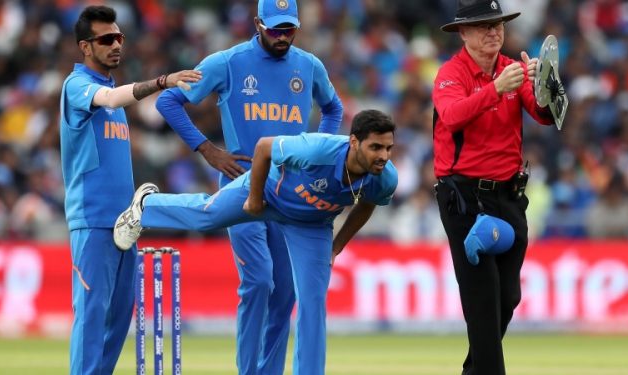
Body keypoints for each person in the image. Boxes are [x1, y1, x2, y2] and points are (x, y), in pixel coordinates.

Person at [114, 109, 397, 375]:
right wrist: (254, 198)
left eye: (388, 148)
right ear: (354, 142)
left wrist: (337, 246)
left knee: (312, 303)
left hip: (311, 225)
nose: (383, 156)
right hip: (267, 194)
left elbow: (368, 204)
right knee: (208, 215)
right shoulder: (317, 149)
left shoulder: (385, 177)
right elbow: (263, 147)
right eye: (376, 147)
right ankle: (147, 205)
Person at [154, 0, 343, 372]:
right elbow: (168, 100)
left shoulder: (309, 66)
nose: (283, 37)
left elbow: (333, 108)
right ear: (257, 23)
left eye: (290, 29)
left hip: (289, 192)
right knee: (259, 281)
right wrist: (206, 149)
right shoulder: (227, 62)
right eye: (275, 29)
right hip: (243, 186)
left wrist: (318, 153)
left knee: (286, 292)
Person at [59, 5, 201, 374]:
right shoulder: (78, 86)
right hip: (92, 221)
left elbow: (115, 98)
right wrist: (160, 82)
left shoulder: (112, 89)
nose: (116, 45)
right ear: (85, 46)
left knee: (119, 319)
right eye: (106, 39)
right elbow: (108, 100)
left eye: (119, 37)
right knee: (92, 317)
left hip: (124, 224)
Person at [432, 1, 556, 374]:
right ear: (463, 33)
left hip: (509, 196)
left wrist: (544, 85)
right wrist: (496, 88)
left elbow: (545, 116)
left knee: (507, 298)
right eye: (484, 26)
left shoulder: (511, 71)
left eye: (497, 24)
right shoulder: (451, 74)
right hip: (465, 200)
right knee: (483, 304)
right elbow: (452, 117)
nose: (493, 32)